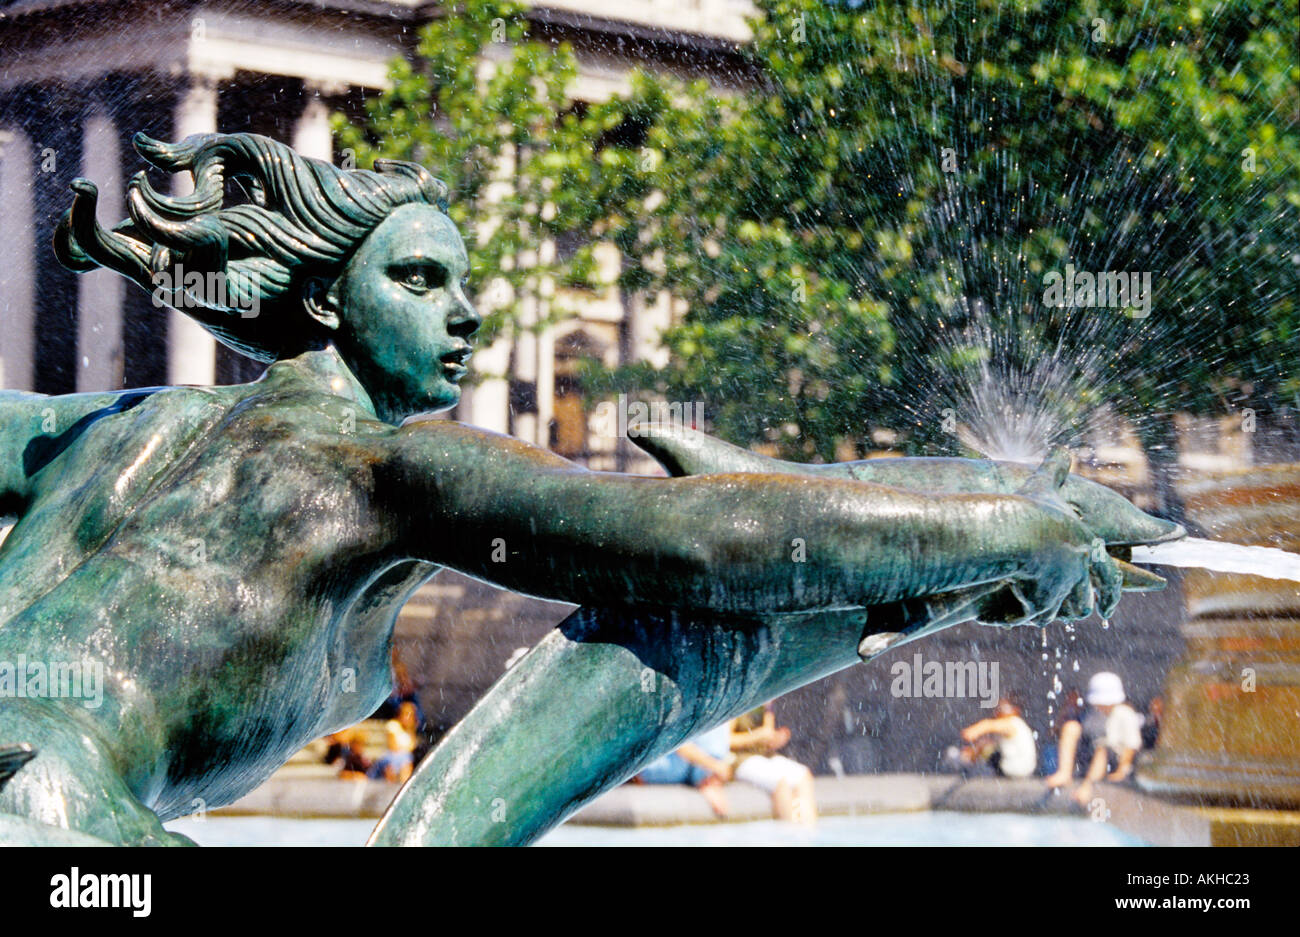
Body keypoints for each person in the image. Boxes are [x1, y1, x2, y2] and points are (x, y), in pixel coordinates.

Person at [0, 130, 1162, 844]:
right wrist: (1010, 526)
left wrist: (991, 512)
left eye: (467, 284)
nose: (466, 314)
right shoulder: (376, 468)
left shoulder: (106, 430)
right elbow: (703, 544)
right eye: (416, 278)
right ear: (323, 303)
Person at [730, 702, 817, 823]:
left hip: (765, 756)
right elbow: (727, 741)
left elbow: (766, 736)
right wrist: (756, 737)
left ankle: (808, 830)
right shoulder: (738, 704)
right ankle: (789, 831)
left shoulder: (767, 706)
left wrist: (775, 739)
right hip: (741, 758)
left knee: (803, 775)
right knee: (781, 782)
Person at [1071, 672, 1144, 807]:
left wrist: (1122, 770)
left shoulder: (1125, 713)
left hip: (1115, 760)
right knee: (1074, 731)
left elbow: (1131, 745)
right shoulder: (1096, 714)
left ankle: (1087, 787)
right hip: (1099, 758)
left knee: (1103, 749)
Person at [634, 721, 734, 817]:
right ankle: (707, 780)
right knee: (712, 726)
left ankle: (709, 778)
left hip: (682, 767)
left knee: (716, 724)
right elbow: (678, 744)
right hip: (651, 767)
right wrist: (715, 766)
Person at [954, 697, 1037, 779]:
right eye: (998, 708)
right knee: (987, 747)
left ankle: (974, 771)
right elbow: (987, 742)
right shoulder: (1007, 727)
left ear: (1015, 710)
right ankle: (969, 765)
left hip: (1016, 767)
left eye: (1003, 708)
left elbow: (989, 725)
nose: (998, 711)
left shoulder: (1014, 722)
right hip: (1018, 768)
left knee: (989, 751)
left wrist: (974, 731)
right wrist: (971, 752)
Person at [368, 702, 420, 784]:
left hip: (403, 756)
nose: (407, 718)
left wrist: (411, 728)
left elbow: (412, 746)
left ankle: (404, 783)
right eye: (406, 714)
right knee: (403, 759)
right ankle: (394, 784)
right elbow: (393, 746)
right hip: (390, 755)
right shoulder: (393, 725)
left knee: (406, 758)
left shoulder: (410, 729)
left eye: (410, 715)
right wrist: (404, 749)